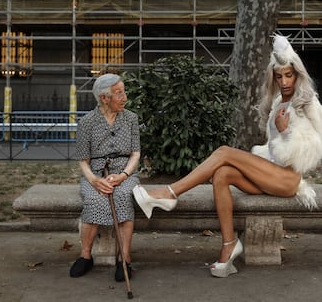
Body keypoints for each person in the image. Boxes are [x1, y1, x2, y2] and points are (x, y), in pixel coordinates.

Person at [133, 34, 322, 278]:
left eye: (289, 75)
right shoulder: (278, 103)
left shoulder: (308, 103)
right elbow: (272, 146)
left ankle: (169, 193)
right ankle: (228, 244)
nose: (285, 81)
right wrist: (275, 141)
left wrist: (286, 134)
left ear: (297, 75)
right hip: (272, 172)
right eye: (279, 76)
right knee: (222, 174)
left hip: (288, 179)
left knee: (224, 152)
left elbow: (317, 145)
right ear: (273, 78)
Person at [70, 73, 141, 282]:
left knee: (124, 197)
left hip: (125, 172)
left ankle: (124, 259)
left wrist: (124, 175)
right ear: (104, 98)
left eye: (124, 91)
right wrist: (94, 180)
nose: (124, 97)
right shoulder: (87, 122)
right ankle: (85, 255)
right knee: (94, 199)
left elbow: (135, 153)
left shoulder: (131, 118)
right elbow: (83, 160)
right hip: (96, 174)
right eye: (119, 93)